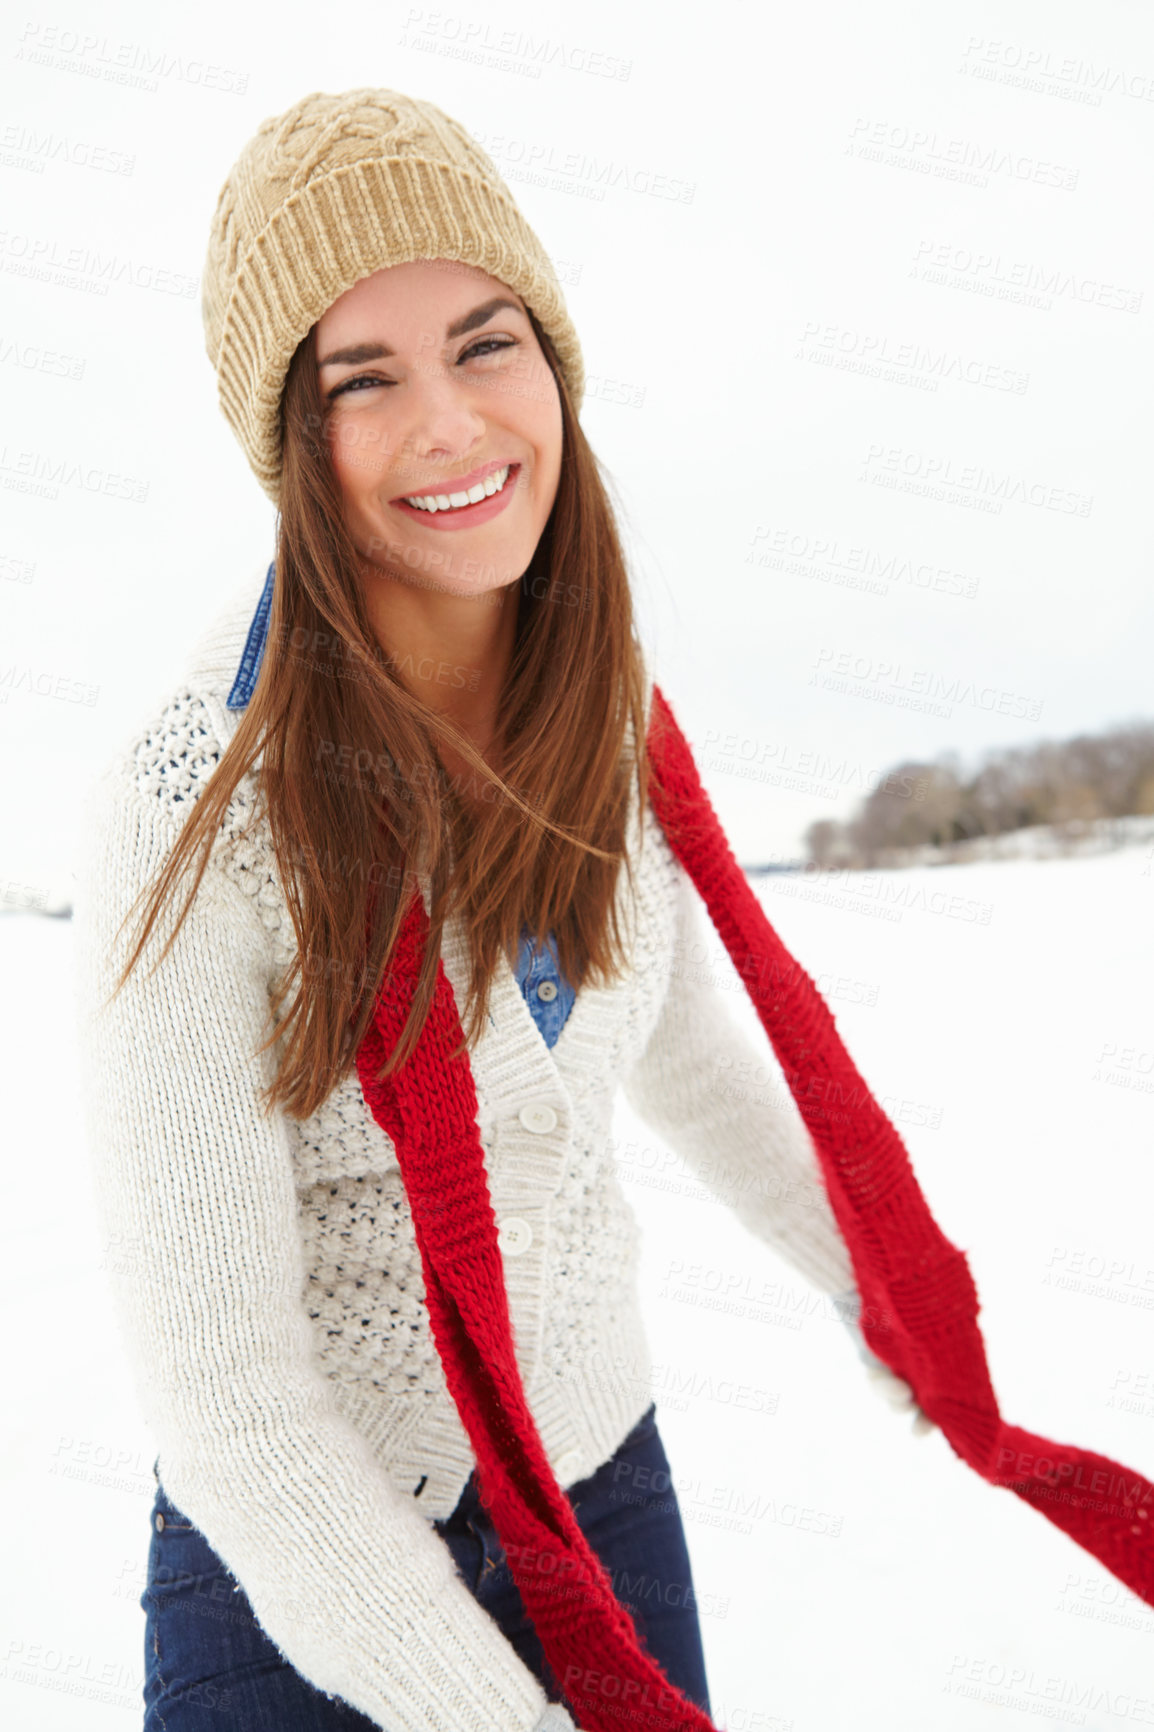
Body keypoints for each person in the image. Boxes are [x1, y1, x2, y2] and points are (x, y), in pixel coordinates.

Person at [73, 87, 923, 1732]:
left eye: (483, 343)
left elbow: (667, 1037)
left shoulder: (590, 719)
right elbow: (234, 1406)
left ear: (551, 362)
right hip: (299, 1571)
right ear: (292, 448)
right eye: (363, 380)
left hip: (600, 1493)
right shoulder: (193, 816)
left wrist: (875, 1281)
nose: (452, 424)